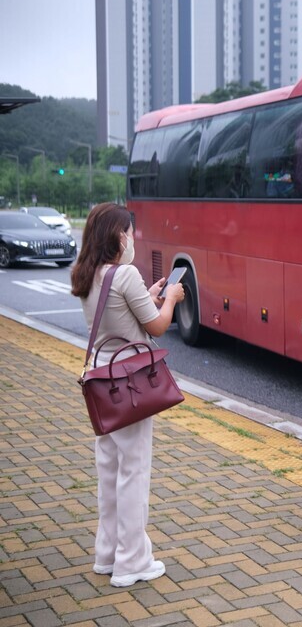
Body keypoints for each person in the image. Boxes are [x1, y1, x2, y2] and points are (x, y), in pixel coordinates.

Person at [70, 203, 185, 587]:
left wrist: (147, 295)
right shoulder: (125, 275)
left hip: (101, 380)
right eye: (129, 232)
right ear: (117, 236)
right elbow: (157, 325)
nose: (132, 238)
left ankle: (107, 554)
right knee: (134, 471)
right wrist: (170, 298)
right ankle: (133, 561)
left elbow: (115, 315)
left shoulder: (90, 274)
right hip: (130, 382)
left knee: (109, 469)